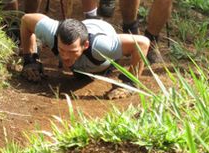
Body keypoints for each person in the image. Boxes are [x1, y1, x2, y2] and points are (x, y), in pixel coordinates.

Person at [19, 13, 149, 98]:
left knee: (90, 72)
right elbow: (26, 20)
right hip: (83, 30)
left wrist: (130, 82)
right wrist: (30, 60)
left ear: (85, 45)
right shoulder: (52, 33)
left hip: (101, 55)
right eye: (61, 50)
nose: (65, 57)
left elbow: (143, 43)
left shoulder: (102, 47)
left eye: (72, 52)